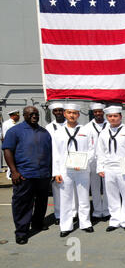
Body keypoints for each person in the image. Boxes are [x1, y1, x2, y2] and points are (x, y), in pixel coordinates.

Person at [2, 106, 52, 245]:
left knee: (41, 202)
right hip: (24, 175)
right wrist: (14, 171)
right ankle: (22, 232)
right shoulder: (15, 131)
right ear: (24, 115)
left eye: (36, 114)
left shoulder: (44, 132)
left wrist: (50, 172)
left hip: (43, 174)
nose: (34, 116)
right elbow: (7, 151)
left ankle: (37, 223)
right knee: (22, 204)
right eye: (31, 114)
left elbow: (50, 153)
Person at [52, 103, 95, 237]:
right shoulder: (58, 132)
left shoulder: (86, 130)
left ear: (78, 115)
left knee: (83, 198)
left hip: (82, 169)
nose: (72, 115)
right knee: (66, 199)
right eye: (69, 113)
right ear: (65, 114)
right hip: (65, 170)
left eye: (75, 113)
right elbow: (56, 154)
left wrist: (84, 162)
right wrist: (56, 173)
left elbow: (92, 150)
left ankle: (85, 223)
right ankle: (65, 226)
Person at [97, 106, 125, 232]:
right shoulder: (104, 132)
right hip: (109, 166)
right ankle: (115, 220)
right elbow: (100, 152)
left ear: (120, 117)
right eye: (110, 116)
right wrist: (100, 167)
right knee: (111, 195)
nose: (112, 118)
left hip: (124, 165)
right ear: (107, 117)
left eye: (115, 116)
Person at [45, 102, 75, 225]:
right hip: (56, 161)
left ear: (64, 112)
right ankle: (58, 214)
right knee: (57, 190)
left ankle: (73, 213)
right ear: (53, 112)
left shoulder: (72, 125)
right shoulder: (49, 128)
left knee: (72, 190)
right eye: (55, 110)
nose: (58, 113)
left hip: (73, 161)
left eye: (60, 110)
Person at [83, 102, 110, 221]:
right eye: (96, 112)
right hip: (93, 160)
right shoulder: (87, 127)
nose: (98, 113)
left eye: (100, 111)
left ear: (103, 112)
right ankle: (98, 211)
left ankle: (108, 210)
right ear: (93, 113)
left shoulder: (110, 124)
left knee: (108, 186)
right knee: (94, 186)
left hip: (107, 159)